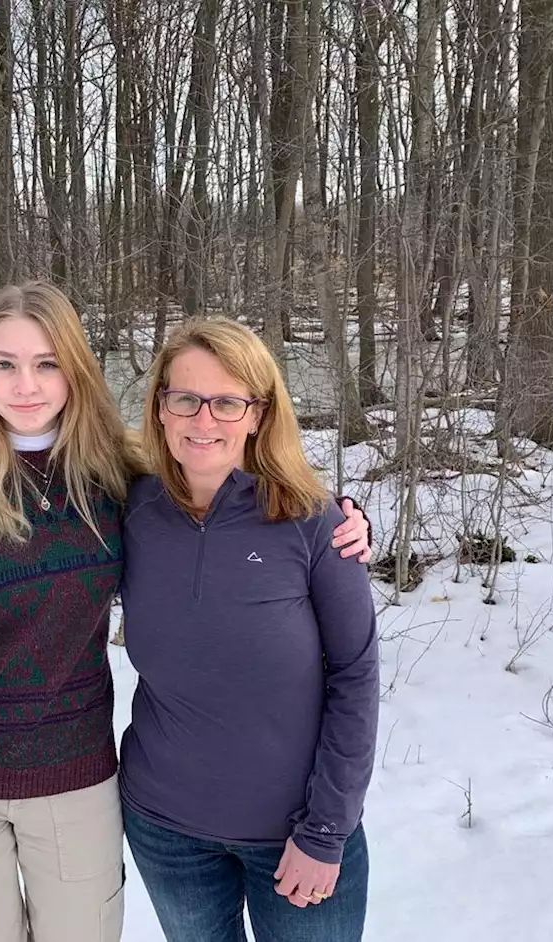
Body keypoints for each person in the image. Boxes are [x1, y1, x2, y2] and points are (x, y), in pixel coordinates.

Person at [0, 283, 372, 942]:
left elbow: (234, 482)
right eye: (4, 363)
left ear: (75, 370)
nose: (26, 385)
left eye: (47, 363)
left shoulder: (108, 477)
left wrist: (340, 517)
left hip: (79, 779)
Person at [118, 318, 380, 942]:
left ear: (259, 413)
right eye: (184, 398)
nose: (203, 419)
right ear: (160, 407)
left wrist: (325, 830)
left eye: (228, 402)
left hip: (295, 835)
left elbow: (355, 676)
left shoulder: (315, 524)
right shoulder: (128, 509)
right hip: (165, 830)